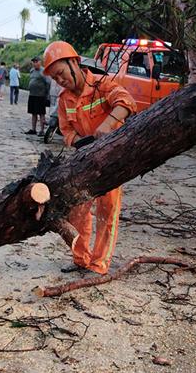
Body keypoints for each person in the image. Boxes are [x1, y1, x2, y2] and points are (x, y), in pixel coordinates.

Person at [42, 41, 137, 275]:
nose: (60, 80)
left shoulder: (102, 84)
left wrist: (106, 125)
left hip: (111, 161)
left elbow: (126, 102)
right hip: (84, 161)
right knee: (78, 212)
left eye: (61, 74)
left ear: (74, 63)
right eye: (55, 78)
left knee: (108, 211)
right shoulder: (65, 100)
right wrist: (79, 142)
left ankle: (99, 264)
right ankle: (80, 259)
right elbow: (66, 131)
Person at [25, 57, 51, 135]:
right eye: (33, 62)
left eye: (36, 62)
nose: (35, 63)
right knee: (33, 113)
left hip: (40, 96)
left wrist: (47, 94)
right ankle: (33, 129)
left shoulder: (43, 71)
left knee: (41, 113)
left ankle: (42, 130)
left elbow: (48, 83)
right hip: (32, 95)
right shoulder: (32, 71)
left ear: (40, 62)